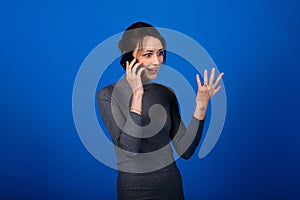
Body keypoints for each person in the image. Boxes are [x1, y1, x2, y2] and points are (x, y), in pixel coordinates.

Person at [97, 21, 224, 200]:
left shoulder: (166, 93)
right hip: (133, 193)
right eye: (148, 54)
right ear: (129, 57)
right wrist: (138, 94)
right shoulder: (108, 95)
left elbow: (185, 151)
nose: (157, 61)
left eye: (160, 53)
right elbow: (130, 150)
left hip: (171, 188)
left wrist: (201, 107)